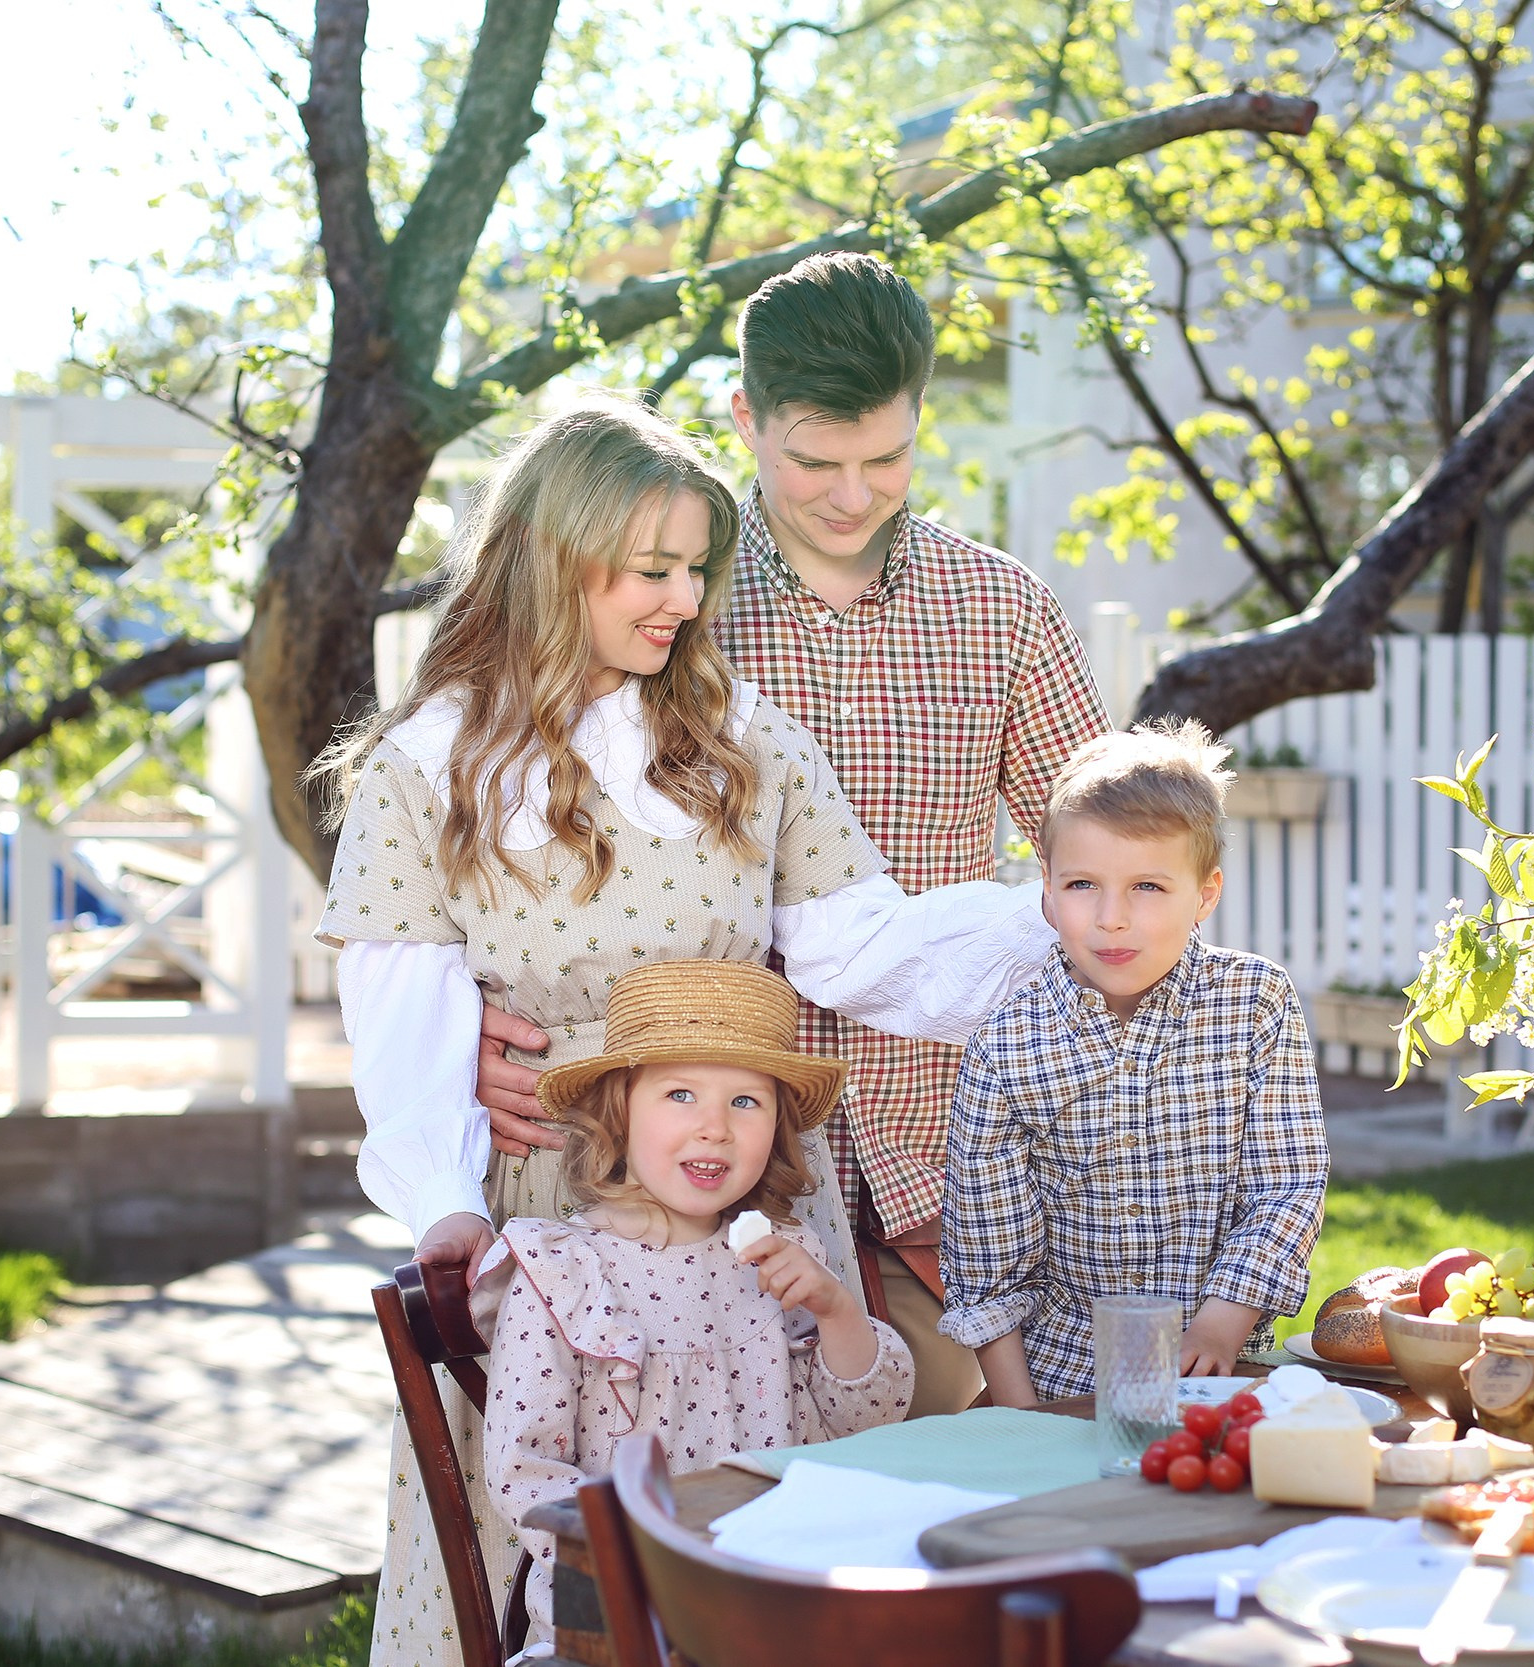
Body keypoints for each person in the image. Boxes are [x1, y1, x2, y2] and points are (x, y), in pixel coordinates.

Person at [314, 397, 1048, 1666]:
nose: (683, 597)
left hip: (746, 1198)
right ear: (554, 562)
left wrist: (1067, 930)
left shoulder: (736, 737)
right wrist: (448, 1211)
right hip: (555, 1202)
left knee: (781, 1528)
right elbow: (405, 1016)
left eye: (696, 567)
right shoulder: (428, 765)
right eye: (650, 569)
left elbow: (858, 941)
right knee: (553, 1549)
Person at [471, 251, 1112, 1417]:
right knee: (728, 1507)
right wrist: (471, 1026)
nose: (852, 493)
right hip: (694, 1172)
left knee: (949, 1503)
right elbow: (499, 827)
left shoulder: (1001, 608)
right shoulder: (665, 596)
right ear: (744, 417)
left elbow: (1110, 863)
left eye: (887, 456)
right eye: (813, 459)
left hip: (944, 1159)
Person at [479, 959, 913, 1640]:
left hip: (775, 1590)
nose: (715, 1126)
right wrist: (657, 1560)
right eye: (681, 1094)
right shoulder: (564, 1273)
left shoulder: (781, 1258)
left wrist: (837, 1312)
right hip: (624, 1609)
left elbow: (868, 1420)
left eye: (746, 1101)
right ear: (619, 1112)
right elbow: (523, 1470)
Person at [937, 722, 1330, 1405]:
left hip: (1214, 1375)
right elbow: (987, 1260)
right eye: (1084, 884)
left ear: (1205, 894)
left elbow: (1287, 1185)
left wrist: (1218, 1327)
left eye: (1147, 886)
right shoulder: (1004, 1046)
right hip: (1057, 1382)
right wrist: (1025, 1417)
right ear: (1048, 893)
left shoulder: (1256, 1004)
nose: (1111, 918)